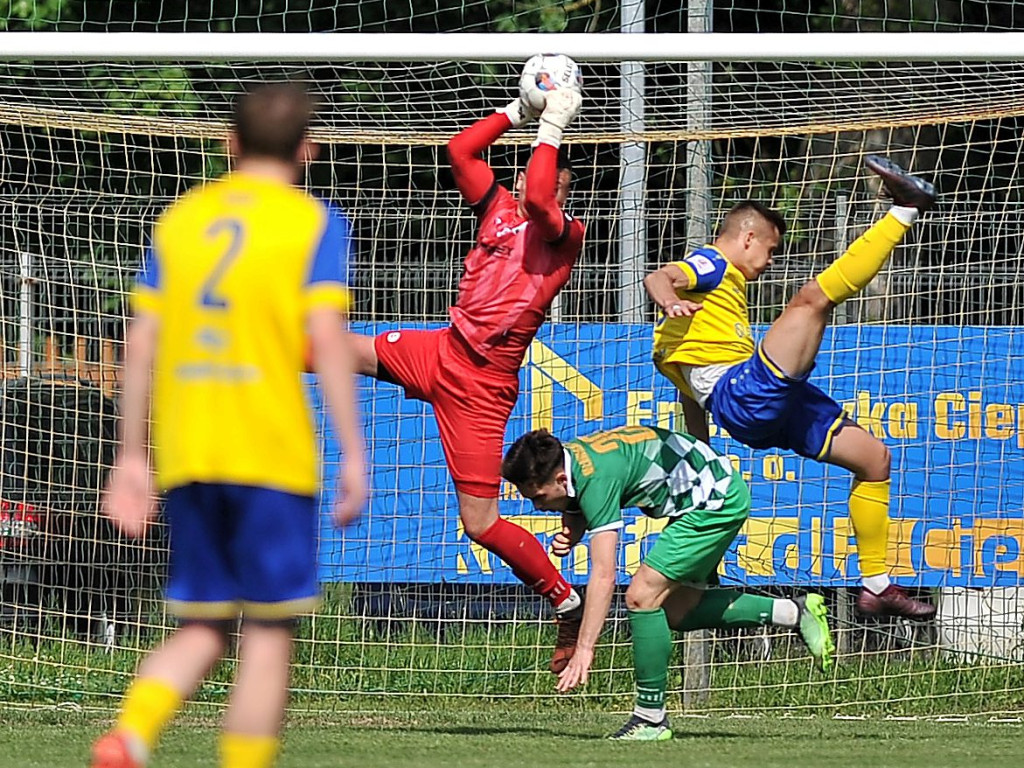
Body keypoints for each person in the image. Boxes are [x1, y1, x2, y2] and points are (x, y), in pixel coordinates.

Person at [91, 83, 366, 768]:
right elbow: (327, 339)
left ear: (230, 144)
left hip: (189, 452)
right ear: (309, 149)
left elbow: (141, 339)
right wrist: (355, 452)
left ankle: (130, 734)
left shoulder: (181, 218)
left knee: (204, 626)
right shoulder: (314, 221)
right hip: (269, 453)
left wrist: (131, 456)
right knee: (268, 635)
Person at [349, 76, 586, 671]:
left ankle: (564, 601)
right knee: (332, 346)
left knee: (480, 523)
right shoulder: (501, 209)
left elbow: (537, 196)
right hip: (443, 349)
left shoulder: (563, 232)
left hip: (482, 386)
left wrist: (552, 125)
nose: (547, 174)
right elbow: (459, 152)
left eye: (553, 167)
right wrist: (519, 108)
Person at [644, 156, 937, 619]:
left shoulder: (700, 328)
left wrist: (703, 459)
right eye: (770, 249)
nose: (771, 260)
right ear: (747, 238)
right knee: (811, 299)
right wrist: (670, 299)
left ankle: (877, 584)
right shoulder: (715, 262)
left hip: (751, 409)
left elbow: (688, 396)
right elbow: (660, 276)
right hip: (741, 395)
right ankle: (905, 209)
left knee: (874, 458)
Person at [502, 425, 834, 741]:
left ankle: (650, 718)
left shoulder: (597, 478)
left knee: (641, 596)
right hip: (707, 492)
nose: (538, 506)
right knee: (678, 612)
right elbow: (575, 498)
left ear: (559, 478)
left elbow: (604, 575)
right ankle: (795, 612)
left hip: (715, 503)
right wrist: (572, 532)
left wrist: (585, 649)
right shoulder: (571, 458)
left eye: (539, 497)